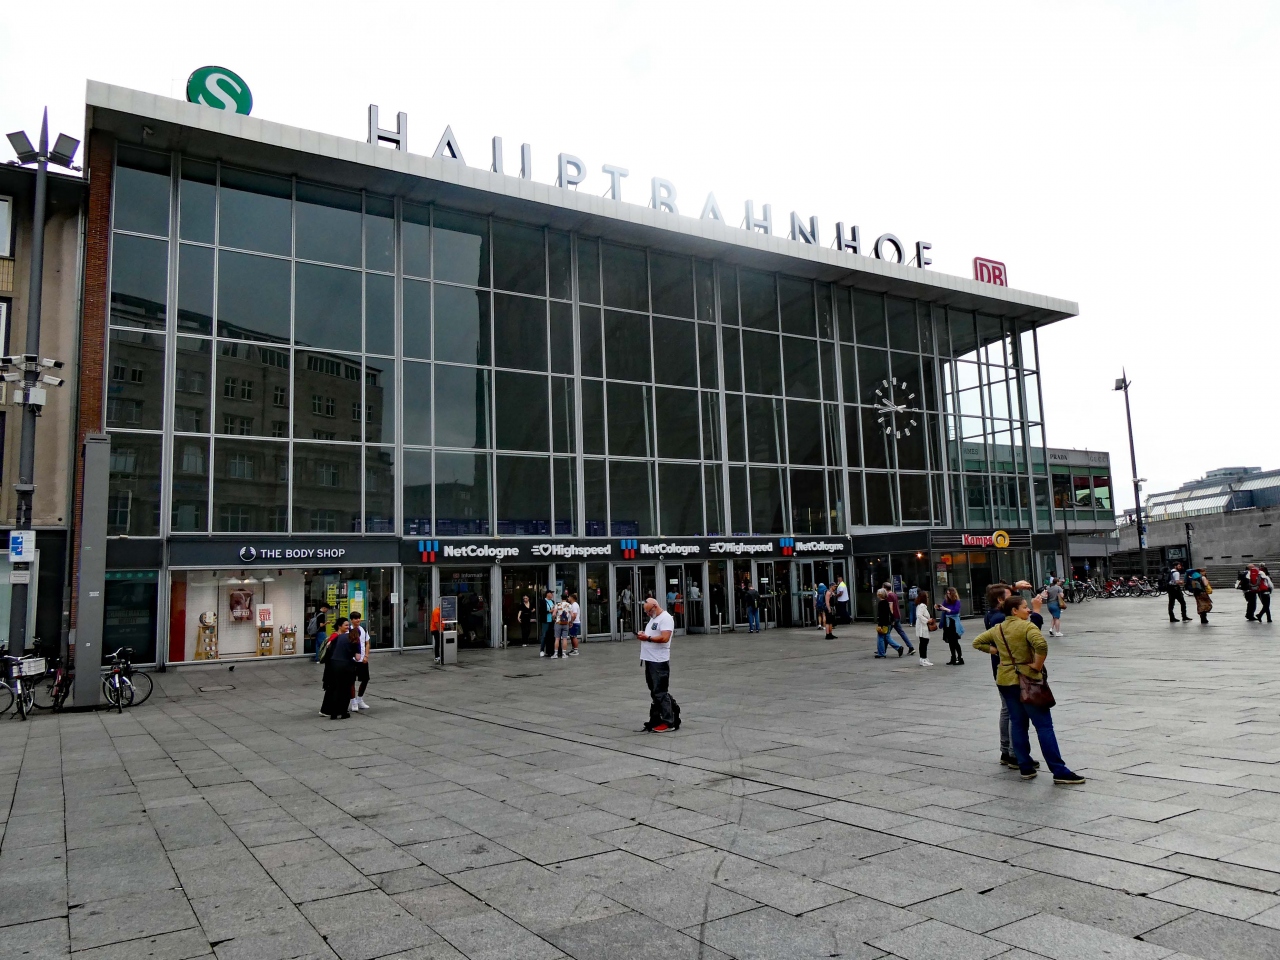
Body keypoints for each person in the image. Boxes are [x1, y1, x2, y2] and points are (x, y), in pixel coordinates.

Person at [972, 595, 1085, 785]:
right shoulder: (1027, 626)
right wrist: (1037, 665)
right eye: (1025, 607)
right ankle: (1058, 770)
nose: (1028, 610)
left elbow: (977, 642)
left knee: (1018, 723)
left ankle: (1025, 766)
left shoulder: (998, 628)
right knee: (1044, 725)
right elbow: (1041, 645)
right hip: (1027, 679)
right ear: (1014, 611)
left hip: (1005, 680)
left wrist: (997, 652)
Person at [636, 597, 678, 732]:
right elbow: (654, 633)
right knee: (654, 691)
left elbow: (665, 638)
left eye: (649, 611)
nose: (648, 614)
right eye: (646, 612)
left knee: (660, 692)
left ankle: (668, 721)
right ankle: (658, 718)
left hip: (659, 661)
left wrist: (647, 638)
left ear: (655, 606)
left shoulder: (666, 618)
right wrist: (644, 634)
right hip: (650, 659)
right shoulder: (654, 618)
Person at [320, 617, 355, 720]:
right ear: (340, 626)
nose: (348, 627)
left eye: (348, 625)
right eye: (346, 625)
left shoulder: (341, 636)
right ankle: (327, 709)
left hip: (335, 664)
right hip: (333, 665)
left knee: (334, 687)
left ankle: (331, 709)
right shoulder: (335, 636)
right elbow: (329, 648)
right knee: (333, 687)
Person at [883, 582, 915, 655]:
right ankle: (911, 647)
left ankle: (884, 650)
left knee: (886, 634)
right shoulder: (894, 594)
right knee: (901, 633)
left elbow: (891, 608)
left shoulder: (889, 596)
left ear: (885, 588)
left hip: (893, 617)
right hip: (897, 616)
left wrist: (891, 618)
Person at [348, 611, 371, 711]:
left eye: (359, 618)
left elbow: (367, 643)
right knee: (351, 680)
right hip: (351, 660)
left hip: (362, 659)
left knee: (365, 679)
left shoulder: (363, 629)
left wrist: (366, 656)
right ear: (351, 620)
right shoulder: (348, 630)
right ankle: (353, 701)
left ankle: (359, 699)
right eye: (355, 618)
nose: (358, 620)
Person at [936, 587, 964, 665]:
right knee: (950, 641)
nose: (947, 595)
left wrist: (946, 609)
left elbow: (956, 611)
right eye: (947, 593)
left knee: (955, 641)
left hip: (953, 622)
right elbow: (942, 607)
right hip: (947, 622)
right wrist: (938, 607)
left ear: (952, 594)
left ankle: (960, 658)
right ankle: (953, 657)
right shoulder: (946, 601)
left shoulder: (957, 601)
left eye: (949, 593)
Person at [874, 587, 904, 658]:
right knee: (887, 637)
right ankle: (898, 647)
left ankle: (881, 653)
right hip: (888, 622)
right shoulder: (886, 602)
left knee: (880, 637)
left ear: (880, 595)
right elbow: (890, 612)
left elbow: (881, 615)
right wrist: (892, 620)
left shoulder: (881, 603)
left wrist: (880, 625)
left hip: (883, 623)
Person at [914, 590, 934, 666]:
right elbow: (919, 615)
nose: (928, 598)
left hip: (922, 625)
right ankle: (923, 658)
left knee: (923, 642)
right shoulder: (922, 606)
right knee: (924, 642)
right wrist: (927, 620)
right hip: (922, 626)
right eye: (927, 597)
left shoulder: (920, 605)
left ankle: (923, 658)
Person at [551, 594, 574, 659]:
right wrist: (571, 622)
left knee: (557, 638)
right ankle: (564, 654)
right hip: (566, 623)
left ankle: (555, 654)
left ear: (561, 598)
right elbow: (572, 615)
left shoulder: (558, 605)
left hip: (558, 623)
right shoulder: (569, 605)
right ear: (566, 598)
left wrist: (554, 619)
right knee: (564, 638)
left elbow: (553, 614)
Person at [540, 589, 556, 657]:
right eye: (551, 593)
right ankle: (542, 650)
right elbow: (541, 611)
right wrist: (549, 611)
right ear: (547, 594)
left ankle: (550, 650)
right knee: (544, 635)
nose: (552, 595)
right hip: (545, 621)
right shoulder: (543, 601)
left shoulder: (552, 601)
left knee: (551, 636)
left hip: (552, 621)